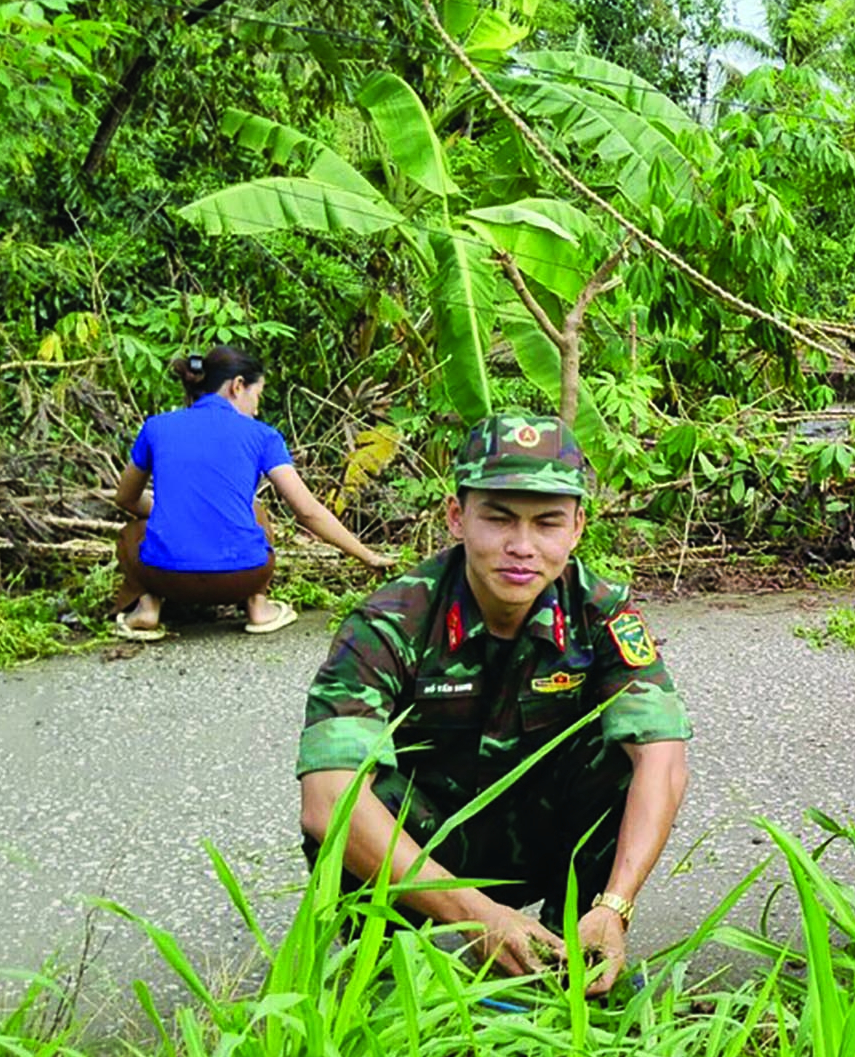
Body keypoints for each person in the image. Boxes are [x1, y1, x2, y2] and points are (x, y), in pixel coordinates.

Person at [295, 413, 691, 997]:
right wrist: (476, 915)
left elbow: (663, 758)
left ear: (577, 528)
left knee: (623, 760)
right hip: (427, 851)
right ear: (458, 517)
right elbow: (326, 803)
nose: (522, 547)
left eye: (547, 522)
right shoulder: (390, 623)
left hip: (537, 837)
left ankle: (574, 948)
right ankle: (382, 972)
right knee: (361, 793)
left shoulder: (600, 612)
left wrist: (617, 903)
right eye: (499, 518)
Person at [111, 345, 394, 640]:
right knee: (256, 512)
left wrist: (170, 512)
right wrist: (368, 557)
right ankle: (259, 607)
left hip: (165, 578)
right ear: (237, 386)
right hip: (243, 578)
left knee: (133, 533)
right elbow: (308, 512)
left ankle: (147, 607)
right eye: (257, 395)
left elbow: (125, 498)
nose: (257, 409)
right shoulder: (263, 435)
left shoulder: (157, 427)